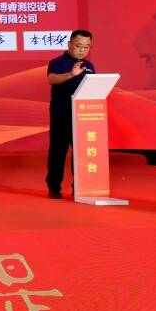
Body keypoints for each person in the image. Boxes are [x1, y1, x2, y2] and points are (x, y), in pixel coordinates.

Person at [45, 30, 95, 199]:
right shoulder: (57, 62)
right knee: (58, 151)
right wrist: (70, 75)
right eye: (79, 46)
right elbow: (51, 79)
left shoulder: (89, 65)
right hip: (61, 114)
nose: (82, 50)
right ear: (69, 44)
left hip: (83, 116)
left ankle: (79, 187)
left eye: (87, 47)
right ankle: (54, 187)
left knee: (80, 152)